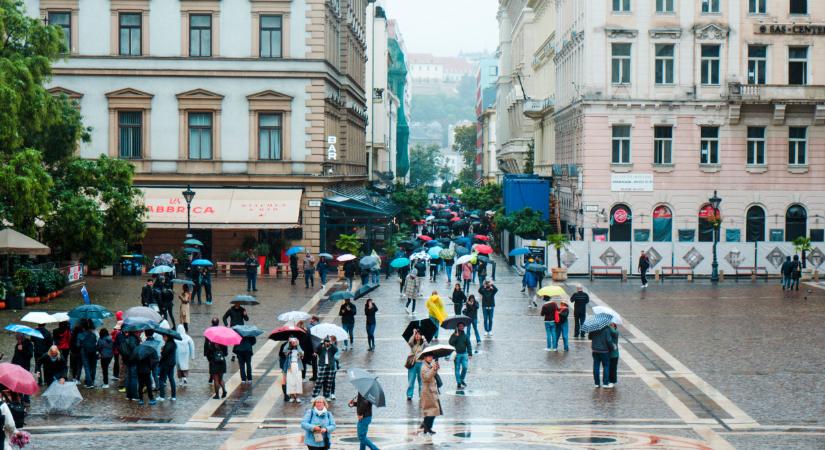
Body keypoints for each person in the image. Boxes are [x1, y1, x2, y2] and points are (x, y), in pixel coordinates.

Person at [204, 318, 228, 399]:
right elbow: (226, 353)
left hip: (214, 361)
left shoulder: (210, 334)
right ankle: (224, 390)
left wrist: (208, 357)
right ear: (218, 323)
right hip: (221, 360)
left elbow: (206, 348)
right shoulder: (223, 336)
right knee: (221, 378)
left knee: (215, 379)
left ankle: (217, 395)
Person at [419, 353, 442, 436]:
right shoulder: (423, 367)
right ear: (425, 357)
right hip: (428, 392)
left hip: (432, 391)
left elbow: (433, 374)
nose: (431, 358)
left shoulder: (430, 364)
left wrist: (436, 368)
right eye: (429, 356)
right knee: (431, 411)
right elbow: (427, 377)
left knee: (432, 411)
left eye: (431, 356)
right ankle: (427, 427)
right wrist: (433, 369)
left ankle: (426, 426)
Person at [448, 322, 472, 388]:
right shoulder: (454, 334)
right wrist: (455, 336)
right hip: (457, 354)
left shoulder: (465, 336)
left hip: (464, 354)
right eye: (460, 326)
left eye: (462, 326)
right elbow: (450, 343)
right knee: (457, 369)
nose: (461, 327)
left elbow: (469, 344)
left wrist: (470, 353)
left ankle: (461, 379)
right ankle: (458, 382)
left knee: (465, 367)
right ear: (457, 327)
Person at [406, 330, 426, 401]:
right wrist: (413, 334)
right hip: (413, 363)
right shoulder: (412, 343)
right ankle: (409, 395)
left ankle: (421, 395)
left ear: (421, 336)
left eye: (419, 334)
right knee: (411, 380)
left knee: (421, 381)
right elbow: (409, 342)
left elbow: (427, 348)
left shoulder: (423, 343)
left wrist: (424, 339)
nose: (417, 336)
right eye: (416, 334)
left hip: (421, 363)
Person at [120, 331, 140, 400]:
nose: (138, 332)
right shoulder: (133, 339)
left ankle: (128, 395)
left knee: (128, 377)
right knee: (133, 378)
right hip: (133, 361)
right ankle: (134, 395)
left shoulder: (126, 338)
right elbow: (135, 350)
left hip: (127, 360)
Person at [157, 334, 177, 401]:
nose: (163, 338)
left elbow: (164, 354)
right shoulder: (173, 344)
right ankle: (173, 396)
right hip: (172, 363)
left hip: (165, 364)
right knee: (171, 379)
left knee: (161, 379)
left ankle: (162, 396)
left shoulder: (168, 345)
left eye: (164, 337)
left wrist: (162, 350)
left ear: (167, 337)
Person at [283, 337, 304, 402]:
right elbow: (284, 350)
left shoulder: (299, 348)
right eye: (292, 342)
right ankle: (292, 396)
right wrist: (288, 342)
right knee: (290, 381)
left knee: (298, 381)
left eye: (294, 342)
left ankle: (297, 396)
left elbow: (302, 353)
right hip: (290, 366)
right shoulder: (288, 350)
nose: (293, 343)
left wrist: (297, 345)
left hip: (298, 366)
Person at [78, 324, 98, 388]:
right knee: (92, 367)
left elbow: (78, 345)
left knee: (87, 367)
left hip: (84, 352)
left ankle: (89, 383)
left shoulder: (80, 335)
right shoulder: (93, 334)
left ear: (83, 328)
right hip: (93, 352)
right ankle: (90, 381)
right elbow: (95, 342)